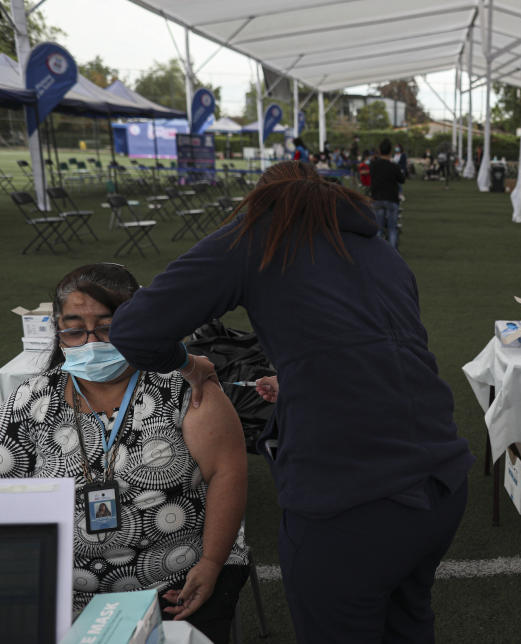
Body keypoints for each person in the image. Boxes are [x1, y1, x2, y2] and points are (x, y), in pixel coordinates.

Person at [108, 161, 474, 643]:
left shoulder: (260, 235)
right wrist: (302, 379)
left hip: (354, 498)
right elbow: (384, 358)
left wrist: (188, 363)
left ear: (263, 203)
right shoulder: (380, 250)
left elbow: (134, 330)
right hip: (443, 482)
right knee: (407, 623)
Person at [0, 263, 248, 644]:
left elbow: (226, 472)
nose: (91, 342)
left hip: (173, 582)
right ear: (57, 329)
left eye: (107, 327)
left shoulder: (185, 388)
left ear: (138, 324)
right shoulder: (31, 398)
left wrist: (212, 562)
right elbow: (8, 493)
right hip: (65, 590)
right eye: (73, 328)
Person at [369, 138, 405, 249]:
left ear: (379, 151)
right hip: (391, 198)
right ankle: (393, 255)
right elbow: (401, 179)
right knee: (392, 229)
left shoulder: (373, 165)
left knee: (378, 229)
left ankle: (378, 252)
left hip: (377, 199)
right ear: (390, 152)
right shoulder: (394, 166)